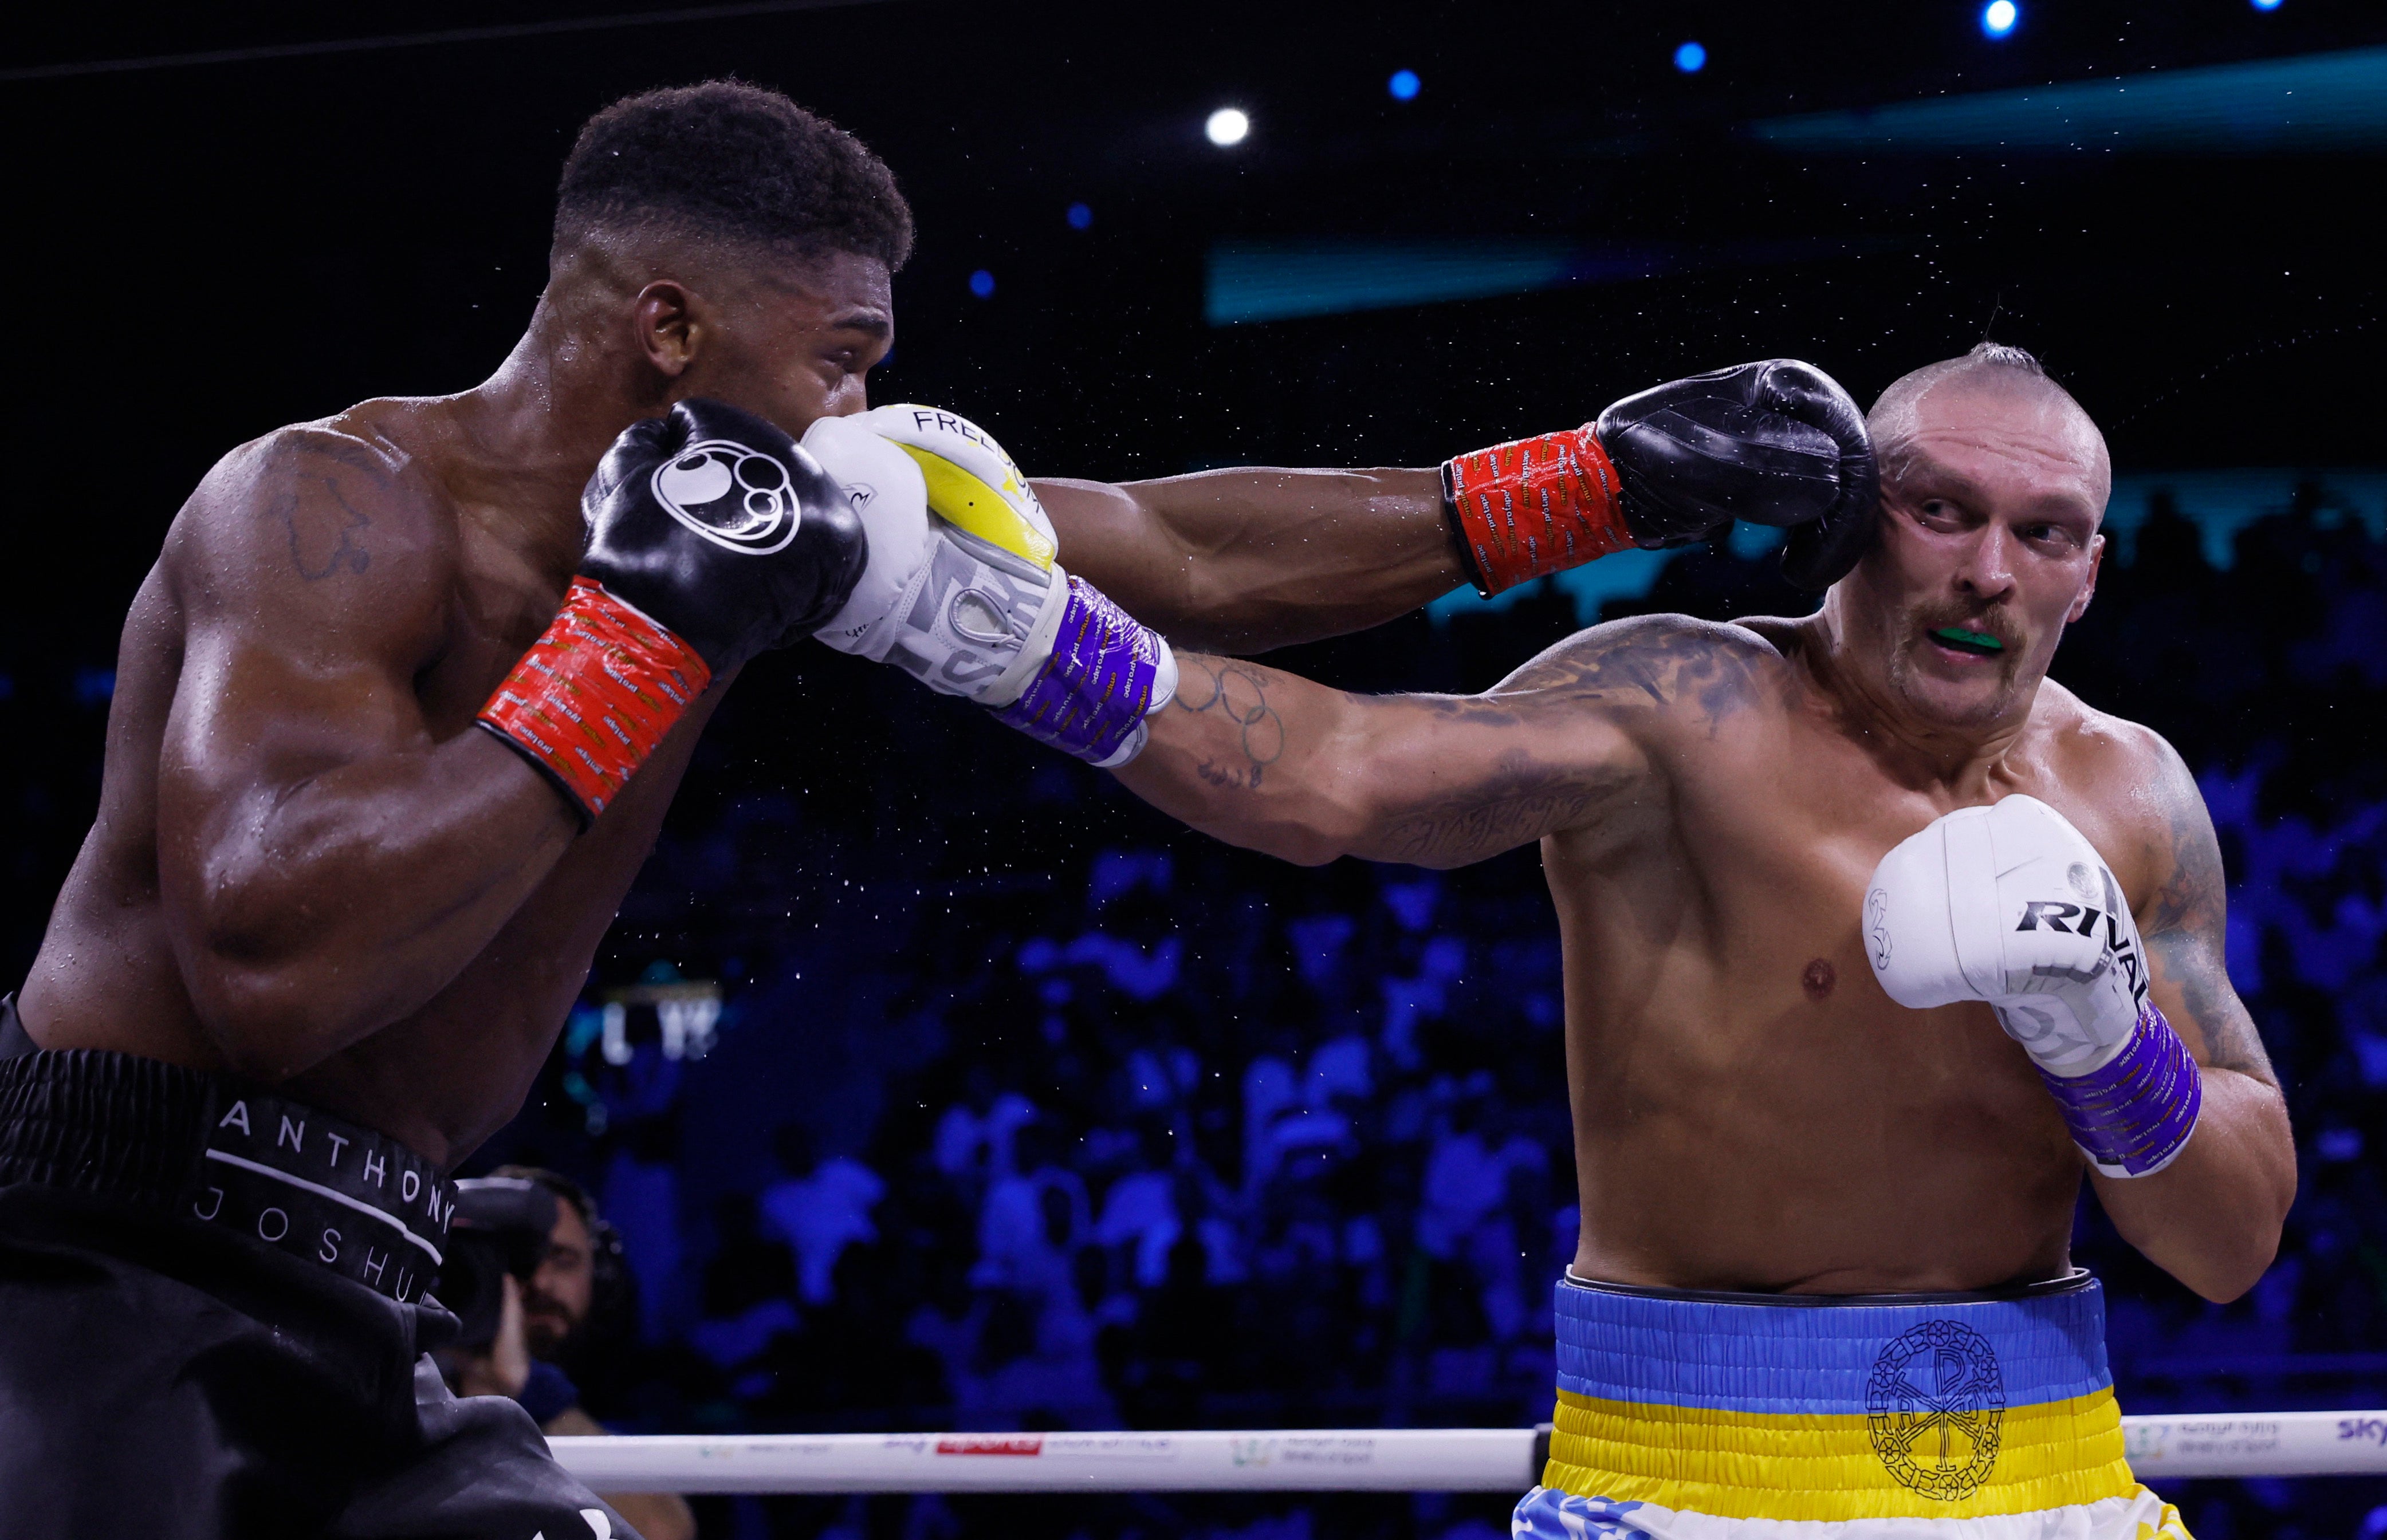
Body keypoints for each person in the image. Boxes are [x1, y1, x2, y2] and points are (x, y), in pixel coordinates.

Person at [0, 74, 1816, 1536]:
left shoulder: (771, 512)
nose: (861, 405)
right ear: (668, 323)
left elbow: (1174, 546)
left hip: (376, 1279)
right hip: (109, 1263)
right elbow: (274, 964)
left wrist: (1590, 484)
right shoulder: (330, 503)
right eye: (840, 356)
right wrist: (640, 629)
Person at [840, 344, 2294, 1537]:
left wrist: (2109, 1046)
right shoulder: (1680, 706)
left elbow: (2230, 1245)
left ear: (2087, 573)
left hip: (2051, 1476)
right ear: (1850, 518)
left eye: (2037, 534)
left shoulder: (2129, 793)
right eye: (1940, 511)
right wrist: (1015, 637)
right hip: (1690, 1478)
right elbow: (1335, 776)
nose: (1987, 569)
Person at [444, 1168, 697, 1540]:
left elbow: (666, 1531)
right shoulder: (409, 1381)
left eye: (562, 1259)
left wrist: (531, 1391)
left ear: (601, 1275)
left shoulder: (644, 1396)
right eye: (521, 1262)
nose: (542, 1282)